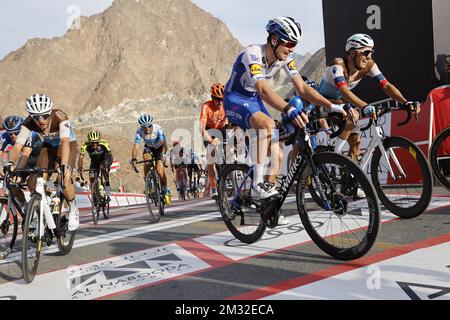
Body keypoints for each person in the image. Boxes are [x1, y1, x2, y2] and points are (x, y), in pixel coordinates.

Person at [223, 16, 347, 225]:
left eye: (294, 45)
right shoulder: (253, 53)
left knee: (278, 151)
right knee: (268, 125)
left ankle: (269, 207)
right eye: (288, 43)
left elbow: (302, 88)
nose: (291, 49)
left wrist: (332, 106)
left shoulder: (285, 58)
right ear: (273, 39)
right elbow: (263, 90)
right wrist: (288, 107)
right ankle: (257, 184)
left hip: (253, 99)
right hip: (235, 98)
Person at [318, 33, 420, 160]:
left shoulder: (369, 65)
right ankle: (335, 156)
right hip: (323, 102)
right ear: (352, 53)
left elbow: (386, 85)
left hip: (340, 102)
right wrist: (365, 106)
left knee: (356, 142)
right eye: (366, 52)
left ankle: (351, 176)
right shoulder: (338, 65)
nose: (369, 57)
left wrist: (405, 102)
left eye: (371, 52)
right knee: (354, 114)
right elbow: (344, 91)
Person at [6, 94, 80, 231]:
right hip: (48, 148)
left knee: (65, 178)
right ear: (31, 116)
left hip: (68, 145)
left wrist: (63, 166)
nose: (41, 120)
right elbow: (17, 147)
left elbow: (64, 142)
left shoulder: (60, 116)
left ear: (50, 113)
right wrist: (10, 164)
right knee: (35, 181)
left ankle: (73, 208)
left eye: (45, 116)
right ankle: (43, 208)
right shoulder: (28, 123)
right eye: (36, 117)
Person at [199, 83, 229, 199]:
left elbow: (232, 120)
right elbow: (201, 128)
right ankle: (214, 186)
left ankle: (230, 173)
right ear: (212, 98)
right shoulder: (206, 106)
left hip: (221, 128)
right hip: (209, 130)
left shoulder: (226, 105)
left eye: (222, 99)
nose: (220, 102)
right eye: (217, 99)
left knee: (230, 148)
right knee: (211, 157)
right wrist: (210, 140)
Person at [130, 114, 170, 197]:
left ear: (152, 124)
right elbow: (136, 146)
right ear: (141, 127)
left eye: (149, 126)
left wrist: (164, 154)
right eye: (144, 127)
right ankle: (147, 178)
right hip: (148, 148)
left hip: (159, 149)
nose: (147, 129)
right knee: (147, 160)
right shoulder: (139, 132)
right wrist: (134, 158)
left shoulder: (158, 129)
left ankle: (165, 188)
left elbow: (164, 143)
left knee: (160, 171)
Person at [78, 129, 113, 200]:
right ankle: (95, 194)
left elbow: (110, 156)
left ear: (99, 141)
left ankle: (108, 187)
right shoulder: (85, 145)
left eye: (96, 142)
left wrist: (107, 166)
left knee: (103, 169)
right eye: (92, 143)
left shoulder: (104, 143)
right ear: (89, 141)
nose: (94, 144)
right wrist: (80, 167)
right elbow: (81, 157)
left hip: (104, 159)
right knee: (92, 178)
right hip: (94, 161)